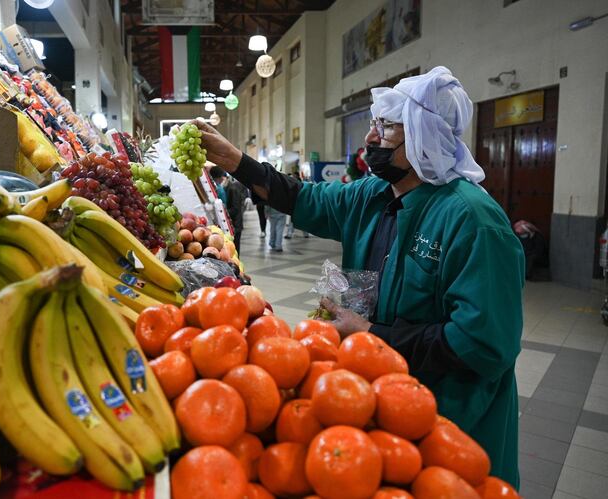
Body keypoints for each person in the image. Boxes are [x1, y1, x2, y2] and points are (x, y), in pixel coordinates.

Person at [189, 66, 524, 488]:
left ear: (423, 134)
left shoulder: (473, 220)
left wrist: (371, 333)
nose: (370, 139)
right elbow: (304, 198)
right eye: (374, 125)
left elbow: (484, 345)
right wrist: (236, 161)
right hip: (380, 409)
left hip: (450, 423)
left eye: (386, 128)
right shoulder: (373, 194)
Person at [224, 176, 248, 254]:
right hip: (236, 222)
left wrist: (225, 213)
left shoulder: (232, 189)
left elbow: (235, 209)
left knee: (235, 248)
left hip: (235, 224)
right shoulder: (230, 187)